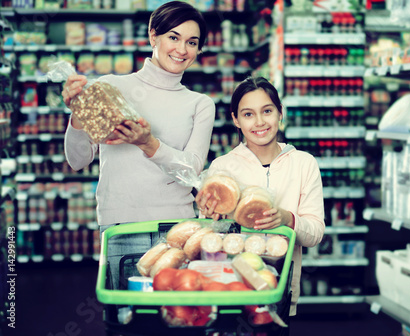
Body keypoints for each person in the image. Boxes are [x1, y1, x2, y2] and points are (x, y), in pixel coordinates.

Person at [62, 1, 215, 289]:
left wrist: (148, 143)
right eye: (173, 37)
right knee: (128, 319)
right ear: (153, 35)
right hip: (122, 226)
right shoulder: (110, 88)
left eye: (192, 42)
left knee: (177, 317)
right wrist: (78, 115)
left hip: (177, 228)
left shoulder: (200, 104)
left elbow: (192, 171)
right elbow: (78, 160)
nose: (182, 49)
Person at [195, 76, 325, 316]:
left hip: (280, 287)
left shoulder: (303, 163)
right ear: (235, 120)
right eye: (247, 114)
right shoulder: (222, 167)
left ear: (280, 113)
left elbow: (315, 234)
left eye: (267, 111)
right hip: (230, 285)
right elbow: (210, 236)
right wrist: (209, 216)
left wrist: (288, 219)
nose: (259, 122)